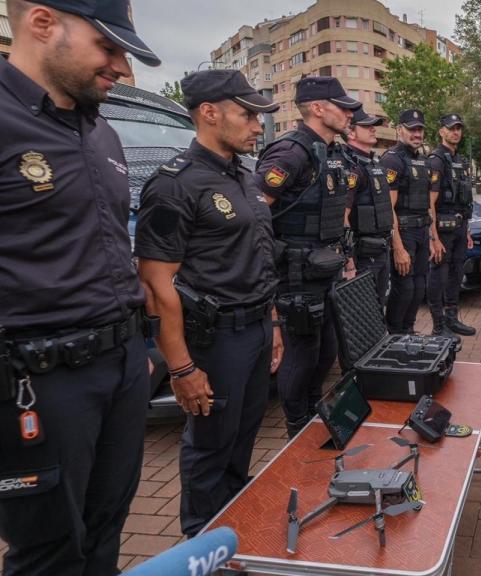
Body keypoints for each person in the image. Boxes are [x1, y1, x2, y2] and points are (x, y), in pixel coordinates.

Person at [0, 1, 159, 572]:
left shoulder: (103, 133)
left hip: (118, 367)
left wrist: (132, 348)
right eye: (107, 47)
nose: (120, 66)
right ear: (43, 23)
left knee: (104, 531)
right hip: (37, 382)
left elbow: (111, 246)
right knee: (49, 550)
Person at [136, 69, 282, 538]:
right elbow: (156, 284)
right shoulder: (175, 184)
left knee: (243, 434)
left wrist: (273, 324)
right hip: (217, 338)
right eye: (249, 115)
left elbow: (259, 256)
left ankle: (235, 518)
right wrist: (180, 369)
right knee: (210, 442)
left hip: (257, 328)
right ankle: (201, 538)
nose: (258, 126)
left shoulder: (244, 174)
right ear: (210, 112)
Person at [255, 76, 360, 437]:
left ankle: (316, 412)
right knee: (302, 353)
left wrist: (344, 255)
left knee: (327, 349)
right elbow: (255, 218)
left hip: (326, 270)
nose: (350, 113)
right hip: (296, 275)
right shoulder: (290, 153)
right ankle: (296, 424)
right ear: (317, 109)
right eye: (342, 107)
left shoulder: (333, 152)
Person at [381, 109, 436, 334]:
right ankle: (395, 335)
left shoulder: (421, 160)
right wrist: (398, 248)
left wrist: (431, 237)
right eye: (412, 129)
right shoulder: (392, 159)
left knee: (419, 287)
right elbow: (388, 207)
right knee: (404, 288)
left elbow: (427, 204)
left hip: (422, 232)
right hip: (403, 233)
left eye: (420, 129)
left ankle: (408, 331)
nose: (416, 134)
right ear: (399, 130)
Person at [426, 113, 477, 339]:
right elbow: (430, 202)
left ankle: (452, 318)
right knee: (439, 273)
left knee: (456, 273)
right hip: (442, 229)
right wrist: (433, 237)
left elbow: (463, 199)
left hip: (459, 226)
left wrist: (466, 230)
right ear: (441, 132)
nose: (455, 132)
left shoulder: (460, 160)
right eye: (451, 128)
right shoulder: (436, 160)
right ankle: (438, 326)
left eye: (458, 128)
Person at [342, 108, 393, 308]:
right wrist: (348, 259)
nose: (373, 129)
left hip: (380, 248)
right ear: (351, 132)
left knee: (379, 306)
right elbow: (342, 215)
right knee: (363, 311)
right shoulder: (351, 166)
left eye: (374, 126)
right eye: (367, 126)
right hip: (362, 254)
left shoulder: (374, 162)